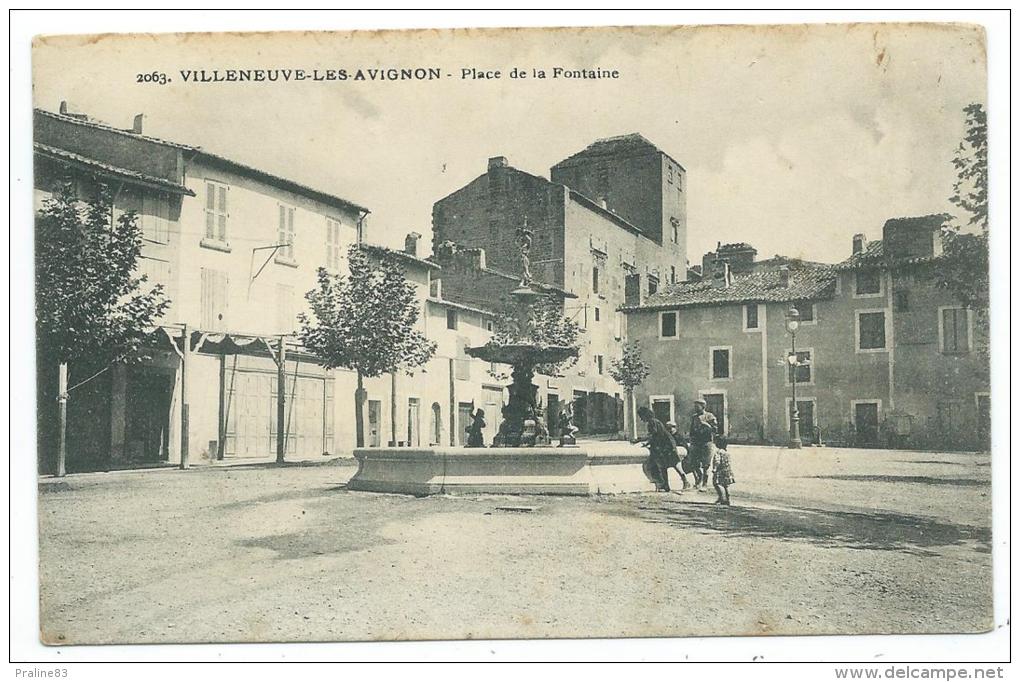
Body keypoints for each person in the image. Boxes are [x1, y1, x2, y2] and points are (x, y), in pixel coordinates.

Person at [637, 406, 678, 492]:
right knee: (663, 466)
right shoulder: (655, 421)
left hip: (664, 445)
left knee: (658, 465)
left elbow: (653, 434)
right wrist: (647, 443)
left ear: (645, 415)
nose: (641, 419)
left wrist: (639, 440)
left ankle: (662, 484)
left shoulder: (652, 422)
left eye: (641, 416)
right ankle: (665, 485)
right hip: (666, 444)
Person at [688, 398, 718, 491]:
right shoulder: (694, 417)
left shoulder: (710, 416)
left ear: (703, 406)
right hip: (696, 443)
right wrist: (691, 440)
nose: (695, 408)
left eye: (697, 406)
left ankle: (704, 484)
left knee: (706, 465)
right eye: (695, 406)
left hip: (707, 442)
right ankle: (698, 480)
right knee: (694, 463)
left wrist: (707, 425)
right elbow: (691, 430)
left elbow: (715, 429)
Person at [665, 421, 693, 491]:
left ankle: (686, 482)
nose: (670, 430)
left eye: (671, 428)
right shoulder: (669, 436)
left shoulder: (678, 436)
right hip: (672, 455)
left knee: (677, 466)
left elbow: (683, 447)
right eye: (668, 428)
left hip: (680, 455)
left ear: (675, 428)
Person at [712, 435, 735, 505]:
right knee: (726, 485)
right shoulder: (726, 452)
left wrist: (714, 468)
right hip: (727, 470)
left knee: (718, 484)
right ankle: (726, 498)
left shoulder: (718, 452)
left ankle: (723, 499)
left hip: (720, 471)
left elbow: (717, 461)